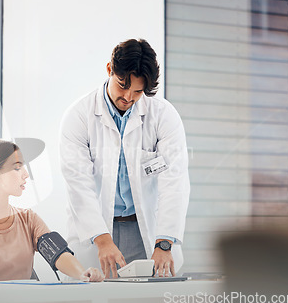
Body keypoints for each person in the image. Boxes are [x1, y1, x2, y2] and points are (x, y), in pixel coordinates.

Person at [59, 38, 190, 279]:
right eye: (122, 86)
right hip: (96, 231)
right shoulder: (79, 116)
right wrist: (102, 239)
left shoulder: (163, 116)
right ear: (110, 69)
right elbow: (78, 184)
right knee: (94, 299)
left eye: (138, 91)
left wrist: (163, 243)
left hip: (145, 230)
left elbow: (175, 181)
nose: (128, 97)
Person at [0, 139, 104, 283]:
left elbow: (58, 253)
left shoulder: (28, 219)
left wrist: (82, 274)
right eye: (17, 168)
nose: (26, 174)